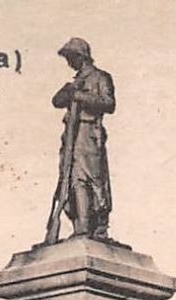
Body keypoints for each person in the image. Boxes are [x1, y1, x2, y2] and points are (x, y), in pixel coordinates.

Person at [44, 38, 115, 243]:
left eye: (70, 58)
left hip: (89, 133)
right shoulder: (74, 82)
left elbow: (109, 104)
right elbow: (56, 101)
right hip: (72, 136)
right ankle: (81, 226)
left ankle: (98, 227)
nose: (68, 63)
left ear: (80, 57)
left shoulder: (101, 77)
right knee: (73, 178)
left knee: (92, 178)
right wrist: (70, 91)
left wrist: (80, 97)